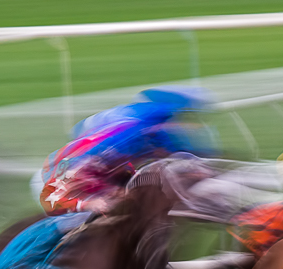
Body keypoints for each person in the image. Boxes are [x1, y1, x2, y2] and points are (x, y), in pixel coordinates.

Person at [36, 87, 212, 215]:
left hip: (100, 175)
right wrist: (88, 205)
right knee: (85, 218)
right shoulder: (92, 159)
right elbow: (49, 200)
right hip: (54, 183)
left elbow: (181, 159)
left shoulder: (150, 137)